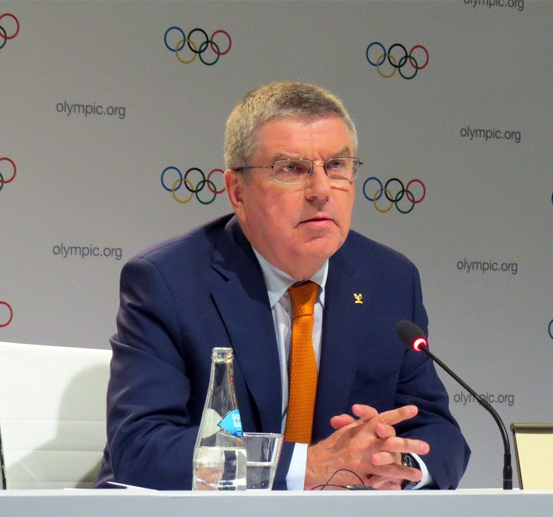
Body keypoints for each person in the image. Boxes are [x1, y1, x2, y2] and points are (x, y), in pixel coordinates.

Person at [95, 81, 470, 490]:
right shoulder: (168, 281)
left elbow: (439, 432)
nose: (322, 191)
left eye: (337, 166)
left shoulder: (389, 279)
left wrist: (392, 463)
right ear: (237, 191)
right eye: (292, 169)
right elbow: (141, 448)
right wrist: (308, 466)